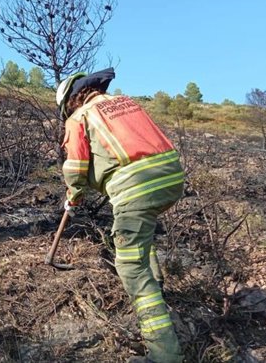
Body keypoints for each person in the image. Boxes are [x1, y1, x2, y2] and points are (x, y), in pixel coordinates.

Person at [57, 68, 185, 363]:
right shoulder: (127, 104)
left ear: (71, 101)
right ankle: (157, 282)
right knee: (141, 233)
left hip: (137, 187)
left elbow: (75, 169)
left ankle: (165, 355)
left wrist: (73, 195)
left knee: (130, 266)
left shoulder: (80, 117)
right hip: (171, 179)